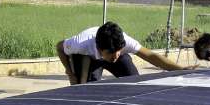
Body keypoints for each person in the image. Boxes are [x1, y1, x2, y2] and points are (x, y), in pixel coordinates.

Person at [55, 21, 191, 84]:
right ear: (100, 48)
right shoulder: (80, 44)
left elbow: (151, 56)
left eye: (118, 51)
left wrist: (181, 69)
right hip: (87, 58)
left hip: (104, 54)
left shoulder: (123, 42)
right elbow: (59, 47)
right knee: (86, 89)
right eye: (111, 53)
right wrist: (70, 73)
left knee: (134, 80)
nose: (115, 56)